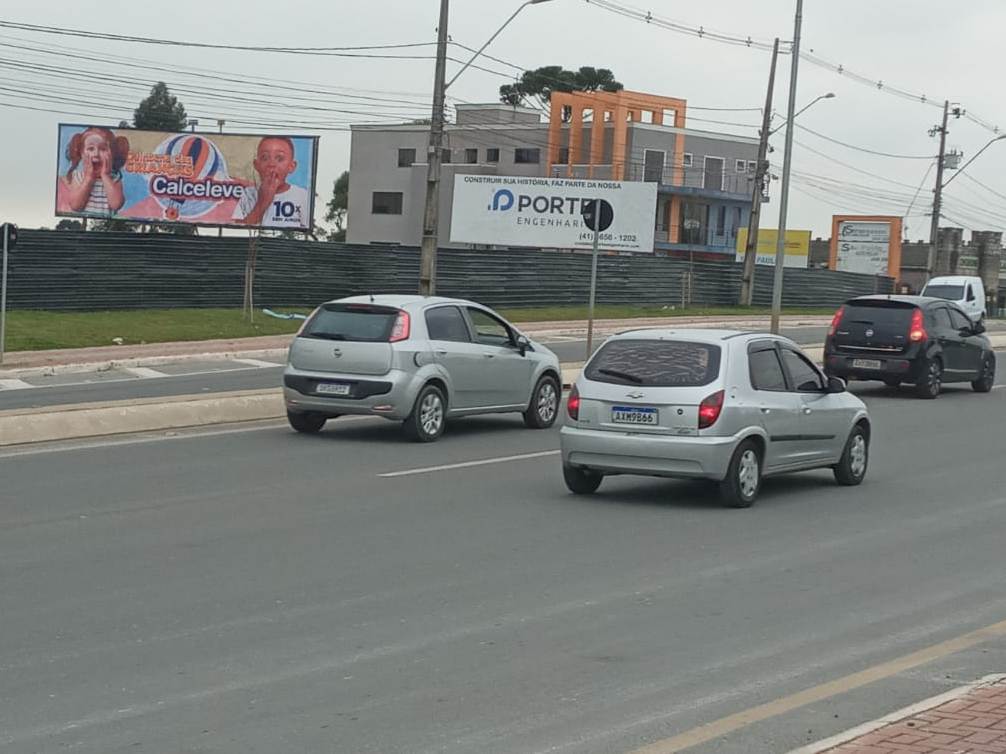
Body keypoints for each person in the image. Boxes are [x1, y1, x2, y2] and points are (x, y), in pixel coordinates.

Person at [233, 136, 309, 228]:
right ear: (257, 165)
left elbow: (306, 232)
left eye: (279, 159)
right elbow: (236, 230)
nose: (271, 164)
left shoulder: (302, 196)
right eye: (265, 158)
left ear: (291, 166)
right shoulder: (248, 194)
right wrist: (263, 202)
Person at [60, 127, 129, 215]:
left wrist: (105, 175)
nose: (96, 154)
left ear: (112, 154)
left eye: (103, 149)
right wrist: (89, 177)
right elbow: (75, 206)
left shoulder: (114, 178)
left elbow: (116, 205)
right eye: (91, 149)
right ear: (82, 153)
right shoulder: (78, 176)